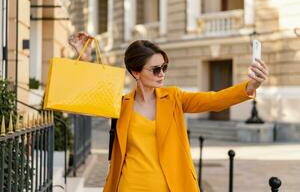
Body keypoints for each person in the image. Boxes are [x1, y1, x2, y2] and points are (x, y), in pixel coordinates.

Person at [69, 32, 269, 192]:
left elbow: (214, 100)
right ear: (136, 72)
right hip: (130, 186)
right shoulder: (121, 104)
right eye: (155, 69)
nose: (162, 73)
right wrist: (84, 56)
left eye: (164, 67)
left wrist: (250, 86)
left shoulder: (174, 98)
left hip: (171, 186)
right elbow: (90, 97)